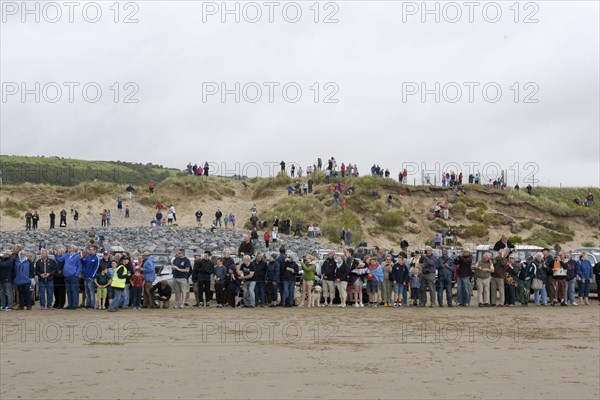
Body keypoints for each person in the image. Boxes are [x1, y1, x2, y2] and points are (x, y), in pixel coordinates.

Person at [54, 245, 82, 310]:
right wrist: (55, 254)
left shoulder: (77, 256)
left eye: (70, 247)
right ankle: (70, 304)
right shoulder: (66, 255)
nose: (69, 248)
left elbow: (79, 266)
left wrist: (76, 274)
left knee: (74, 291)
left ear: (74, 249)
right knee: (69, 291)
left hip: (73, 276)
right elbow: (60, 260)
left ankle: (74, 304)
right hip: (66, 276)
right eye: (69, 247)